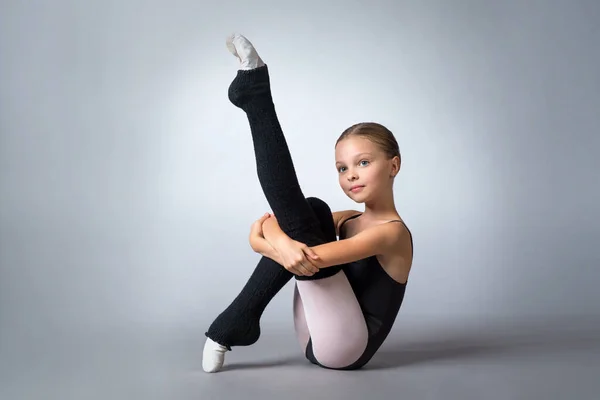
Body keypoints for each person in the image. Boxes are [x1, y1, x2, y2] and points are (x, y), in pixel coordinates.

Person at [202, 33, 414, 373]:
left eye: (363, 163)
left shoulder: (393, 234)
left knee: (305, 233)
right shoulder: (349, 221)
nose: (351, 176)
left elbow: (306, 256)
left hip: (346, 348)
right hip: (311, 333)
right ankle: (238, 321)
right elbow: (275, 226)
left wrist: (269, 244)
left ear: (393, 165)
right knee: (313, 210)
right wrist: (278, 243)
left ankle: (257, 97)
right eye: (342, 168)